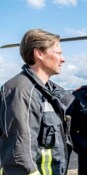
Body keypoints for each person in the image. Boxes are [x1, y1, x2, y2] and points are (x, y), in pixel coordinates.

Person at [0, 29, 74, 175]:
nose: (63, 59)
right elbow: (20, 154)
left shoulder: (47, 92)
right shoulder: (21, 90)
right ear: (39, 53)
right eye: (58, 53)